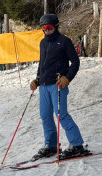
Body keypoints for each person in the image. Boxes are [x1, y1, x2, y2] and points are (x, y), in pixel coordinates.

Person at [28, 13, 89, 160]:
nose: (46, 30)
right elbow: (42, 64)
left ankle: (77, 145)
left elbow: (75, 62)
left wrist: (67, 77)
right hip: (44, 85)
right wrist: (37, 79)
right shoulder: (43, 43)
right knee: (45, 116)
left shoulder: (64, 41)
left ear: (55, 26)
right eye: (44, 28)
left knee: (61, 115)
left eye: (49, 27)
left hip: (57, 85)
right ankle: (51, 145)